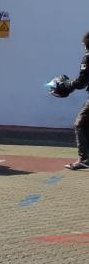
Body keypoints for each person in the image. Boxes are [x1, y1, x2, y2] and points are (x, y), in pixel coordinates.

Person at [50, 31, 89, 170]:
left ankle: (85, 160)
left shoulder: (88, 58)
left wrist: (67, 85)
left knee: (80, 124)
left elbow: (81, 82)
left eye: (85, 44)